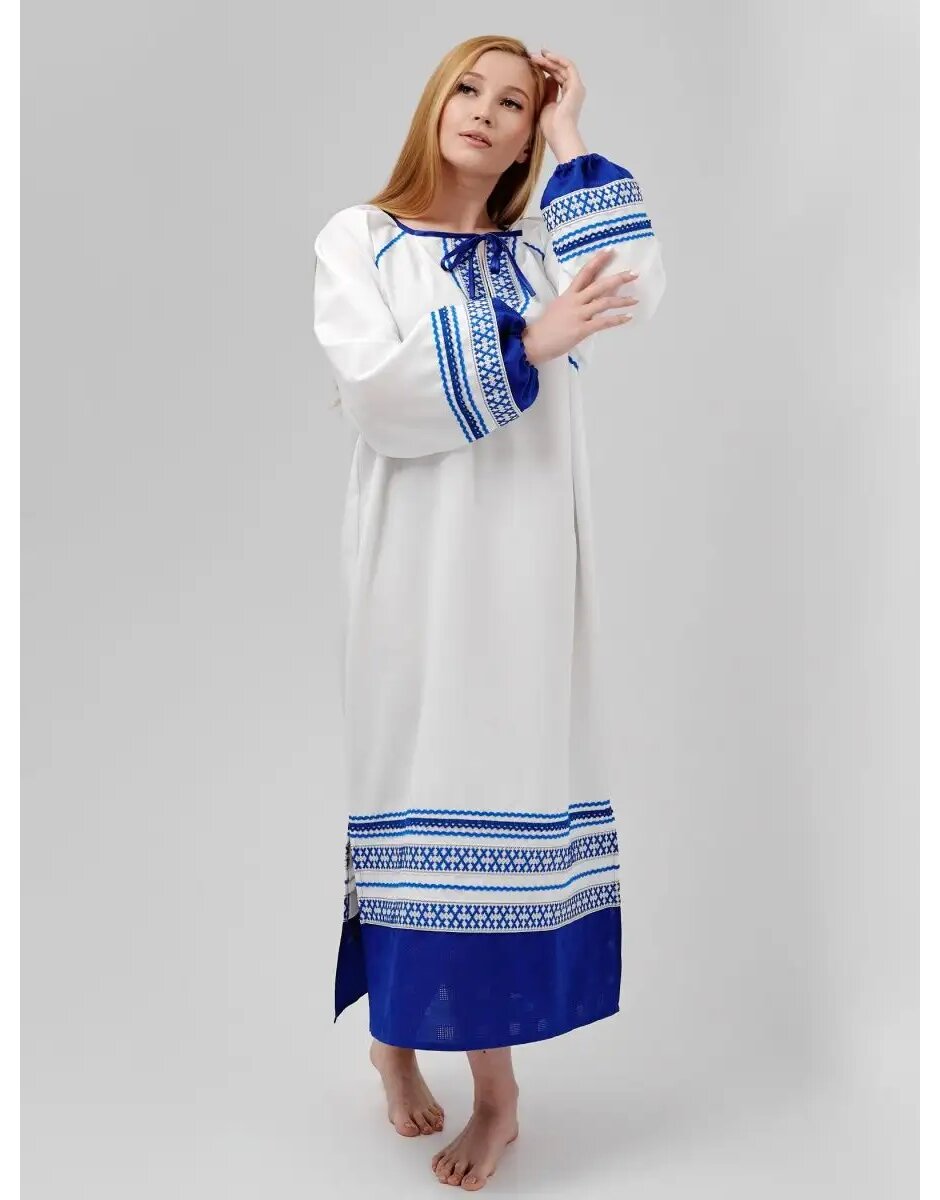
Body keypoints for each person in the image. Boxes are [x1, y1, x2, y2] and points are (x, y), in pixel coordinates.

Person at [312, 34, 666, 1191]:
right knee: (418, 790)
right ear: (434, 103)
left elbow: (634, 280)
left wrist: (573, 135)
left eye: (514, 103)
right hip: (415, 565)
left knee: (505, 790)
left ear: (523, 139)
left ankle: (495, 1093)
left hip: (525, 568)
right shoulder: (360, 238)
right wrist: (528, 341)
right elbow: (377, 394)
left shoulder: (536, 250)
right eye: (469, 88)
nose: (485, 110)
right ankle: (401, 1042)